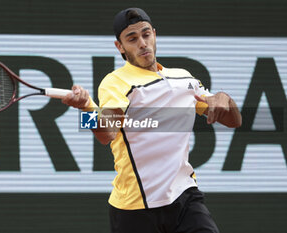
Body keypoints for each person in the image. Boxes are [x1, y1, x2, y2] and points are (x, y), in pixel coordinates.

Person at [62, 7, 242, 233]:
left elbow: (234, 121)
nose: (142, 43)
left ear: (154, 34)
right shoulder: (115, 82)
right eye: (132, 38)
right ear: (120, 47)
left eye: (146, 34)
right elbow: (105, 135)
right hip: (134, 209)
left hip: (185, 198)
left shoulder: (183, 77)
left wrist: (224, 98)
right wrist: (85, 108)